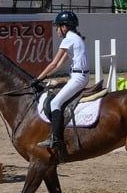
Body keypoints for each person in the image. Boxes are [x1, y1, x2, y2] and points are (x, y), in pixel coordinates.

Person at [31, 11, 90, 150]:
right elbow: (58, 66)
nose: (57, 30)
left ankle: (56, 139)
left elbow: (53, 64)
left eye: (57, 27)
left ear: (64, 27)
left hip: (78, 78)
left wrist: (37, 79)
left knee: (55, 103)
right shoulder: (74, 37)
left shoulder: (69, 39)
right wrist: (44, 78)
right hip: (79, 76)